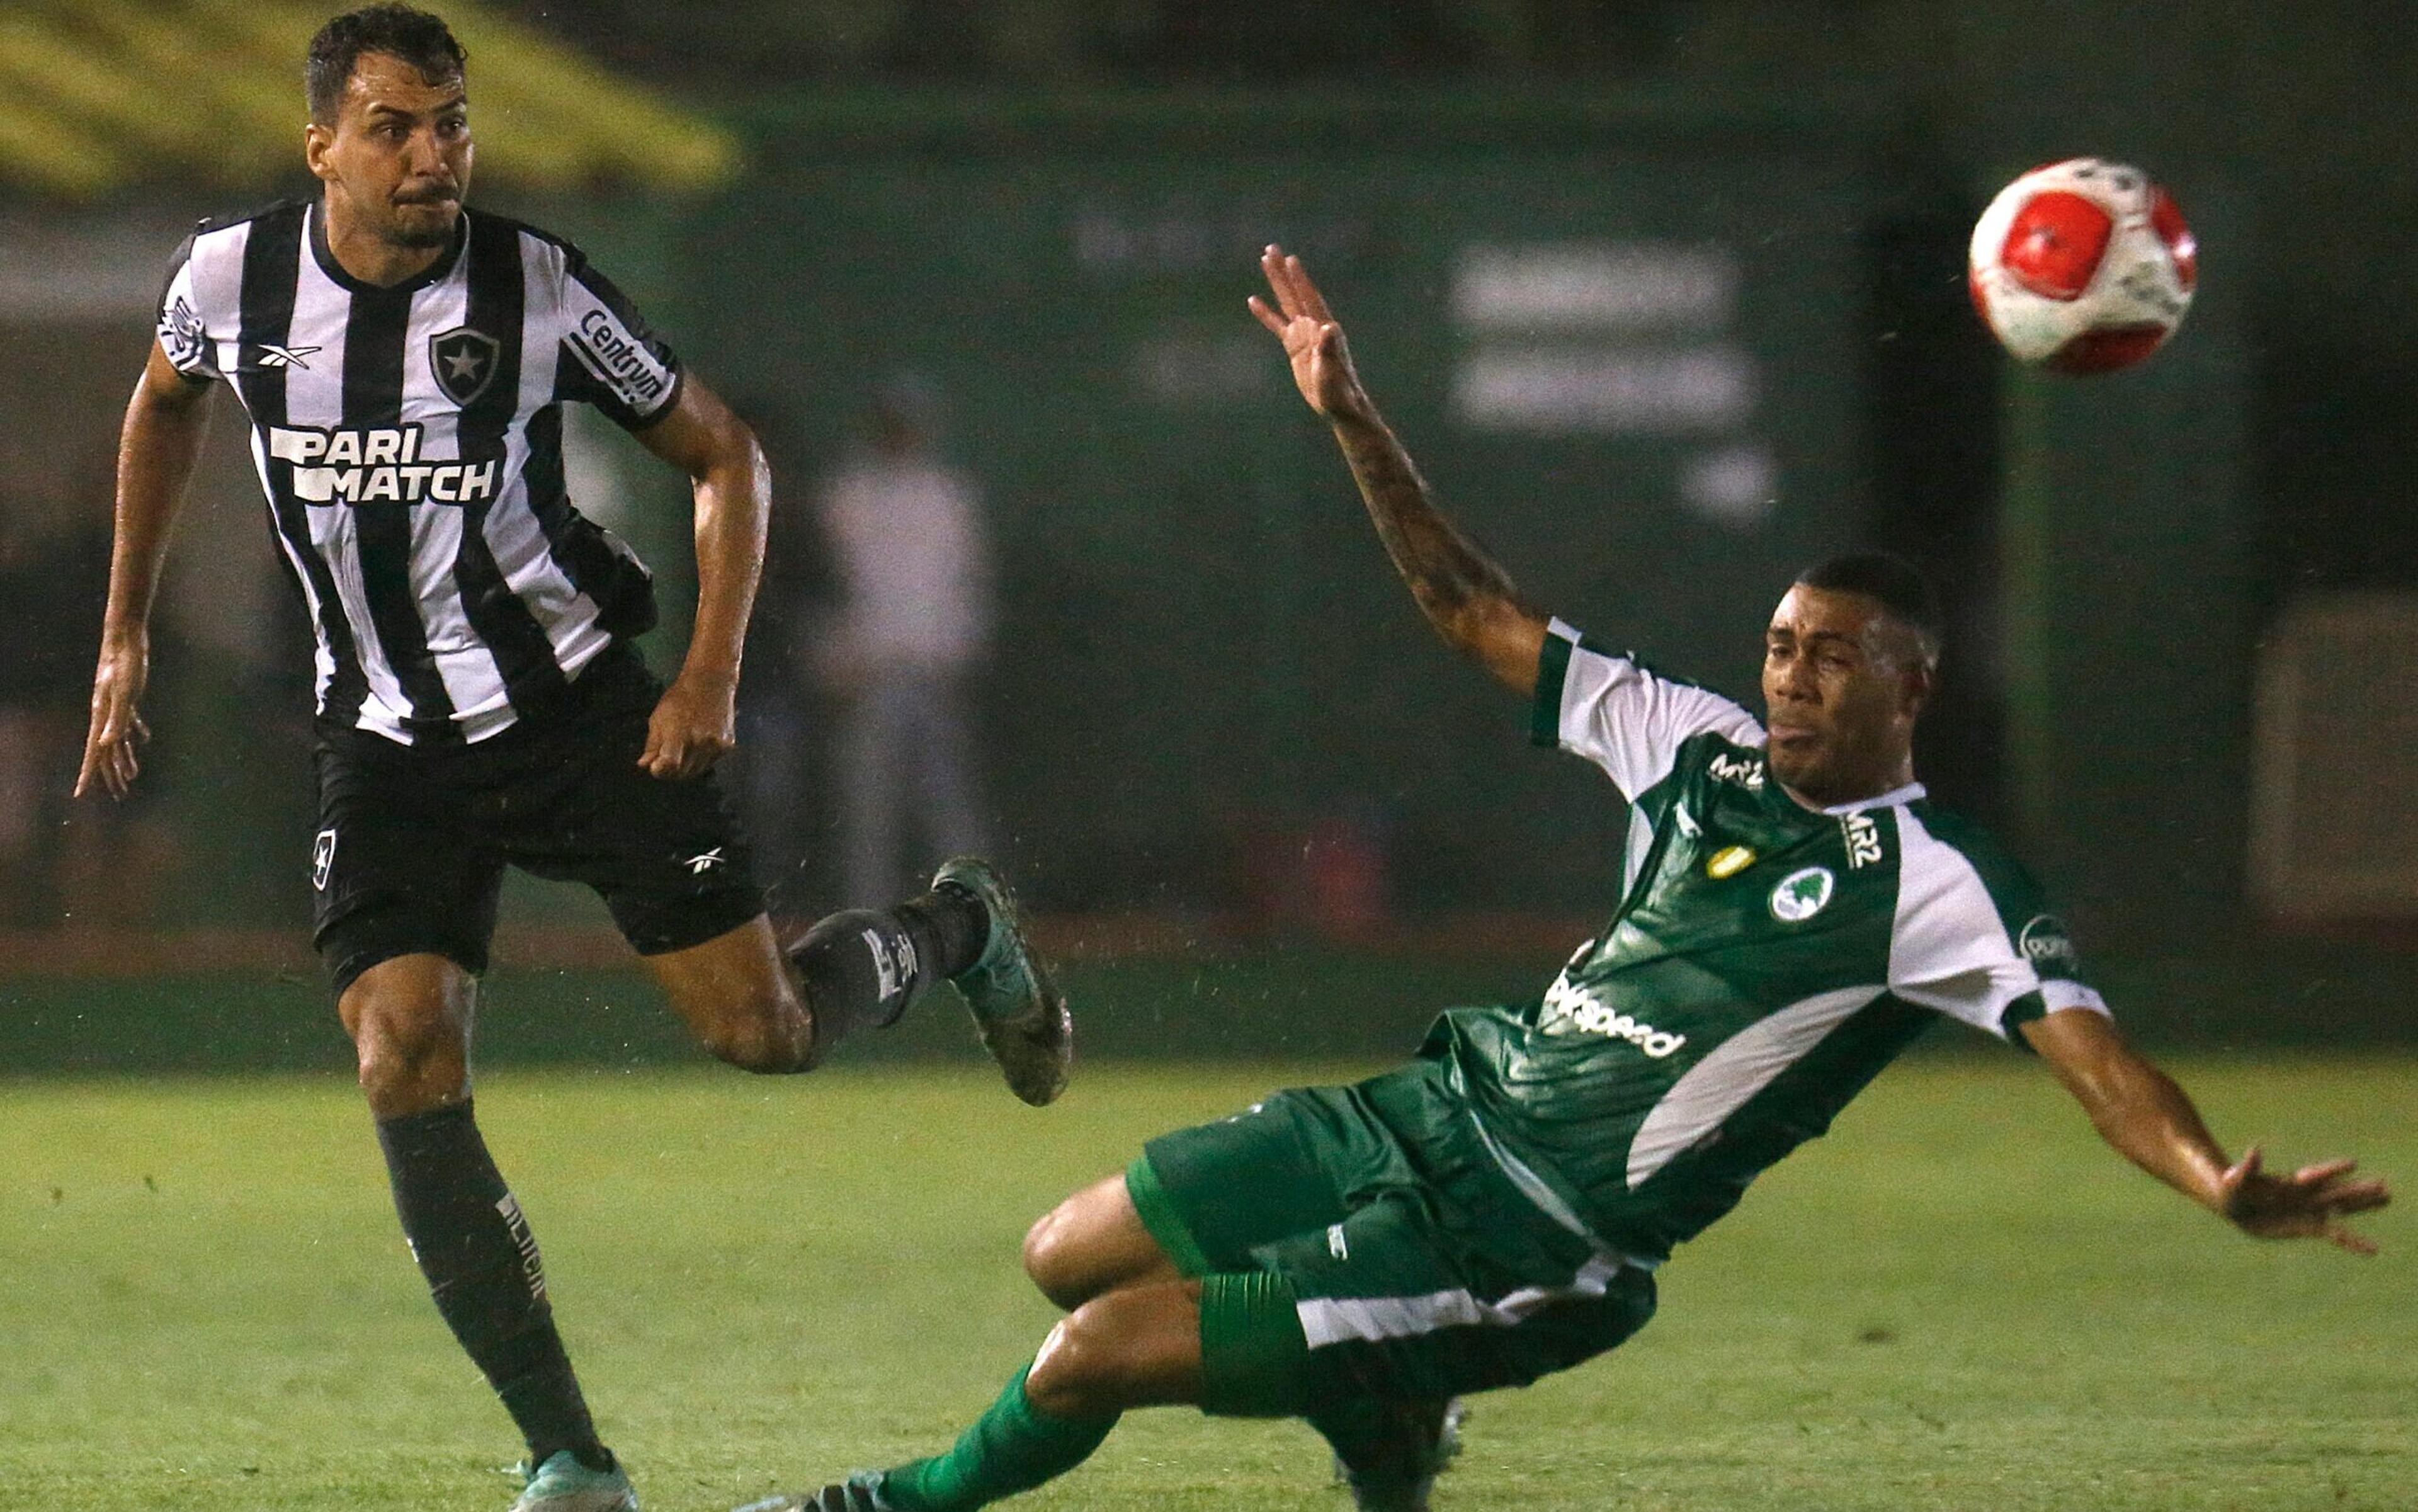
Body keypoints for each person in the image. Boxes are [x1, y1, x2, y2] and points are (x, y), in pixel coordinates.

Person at [741, 246, 2390, 1512]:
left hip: (1537, 1241)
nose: (1795, 674)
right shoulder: (1693, 744)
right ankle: (1387, 1408)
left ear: (1914, 686)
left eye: (1834, 657)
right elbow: (1469, 605)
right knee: (1066, 1251)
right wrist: (1352, 412)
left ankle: (880, 1503)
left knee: (1091, 1353)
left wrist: (2209, 1179)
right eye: (1781, 647)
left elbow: (2096, 1064)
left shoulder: (1938, 881)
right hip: (1440, 1110)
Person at [73, 9, 1071, 1511]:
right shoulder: (228, 279)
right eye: (398, 127)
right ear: (322, 146)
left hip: (580, 714)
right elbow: (161, 403)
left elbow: (727, 456)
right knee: (400, 1051)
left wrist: (713, 674)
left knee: (764, 1032)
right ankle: (570, 1456)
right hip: (386, 737)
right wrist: (124, 631)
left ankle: (957, 931)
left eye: (452, 125)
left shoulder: (534, 289)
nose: (434, 156)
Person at [812, 380, 992, 909]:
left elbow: (966, 585)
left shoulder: (948, 497)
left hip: (935, 673)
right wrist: (837, 660)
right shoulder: (846, 496)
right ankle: (866, 920)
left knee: (950, 807)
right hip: (869, 675)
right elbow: (829, 587)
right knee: (868, 811)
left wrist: (957, 657)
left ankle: (977, 915)